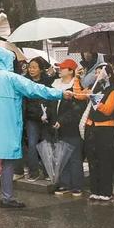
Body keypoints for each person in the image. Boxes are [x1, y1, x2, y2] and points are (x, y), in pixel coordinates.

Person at [0, 47, 72, 208]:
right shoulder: (12, 78)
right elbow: (36, 89)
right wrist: (59, 94)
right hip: (8, 123)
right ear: (8, 60)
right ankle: (7, 198)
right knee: (8, 159)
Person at [82, 63, 114, 202]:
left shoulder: (113, 90)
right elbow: (80, 95)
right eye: (96, 72)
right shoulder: (95, 87)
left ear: (108, 74)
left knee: (104, 160)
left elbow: (108, 110)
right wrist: (77, 79)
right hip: (92, 127)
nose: (97, 75)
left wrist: (94, 98)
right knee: (93, 159)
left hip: (106, 128)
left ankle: (106, 191)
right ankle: (95, 189)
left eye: (100, 72)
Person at [48, 59, 85, 196]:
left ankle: (76, 185)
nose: (59, 70)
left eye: (63, 68)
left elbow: (76, 110)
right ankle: (65, 183)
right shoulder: (55, 85)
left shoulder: (76, 86)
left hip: (72, 127)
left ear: (70, 70)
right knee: (62, 156)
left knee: (74, 156)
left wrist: (62, 120)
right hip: (57, 127)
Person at [23, 57, 55, 182]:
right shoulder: (25, 82)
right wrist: (38, 115)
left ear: (41, 69)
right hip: (32, 118)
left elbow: (51, 99)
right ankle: (34, 171)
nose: (31, 69)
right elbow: (27, 103)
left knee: (46, 144)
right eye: (30, 67)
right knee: (32, 144)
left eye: (34, 67)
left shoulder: (47, 82)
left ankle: (48, 171)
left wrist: (48, 115)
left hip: (46, 119)